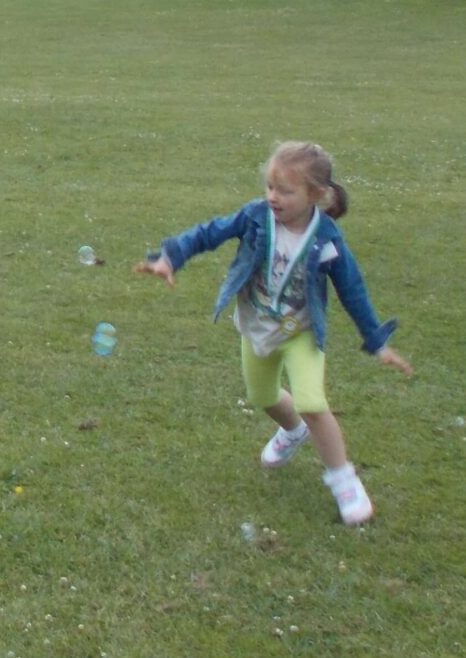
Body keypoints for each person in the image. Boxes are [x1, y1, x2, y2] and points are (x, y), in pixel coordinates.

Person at [134, 141, 413, 527]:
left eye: (285, 191)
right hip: (257, 326)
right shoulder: (255, 217)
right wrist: (170, 258)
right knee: (262, 396)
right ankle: (292, 431)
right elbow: (208, 233)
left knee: (312, 402)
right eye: (270, 187)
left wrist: (377, 341)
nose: (273, 197)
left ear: (316, 195)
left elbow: (352, 290)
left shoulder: (326, 239)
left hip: (300, 332)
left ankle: (344, 480)